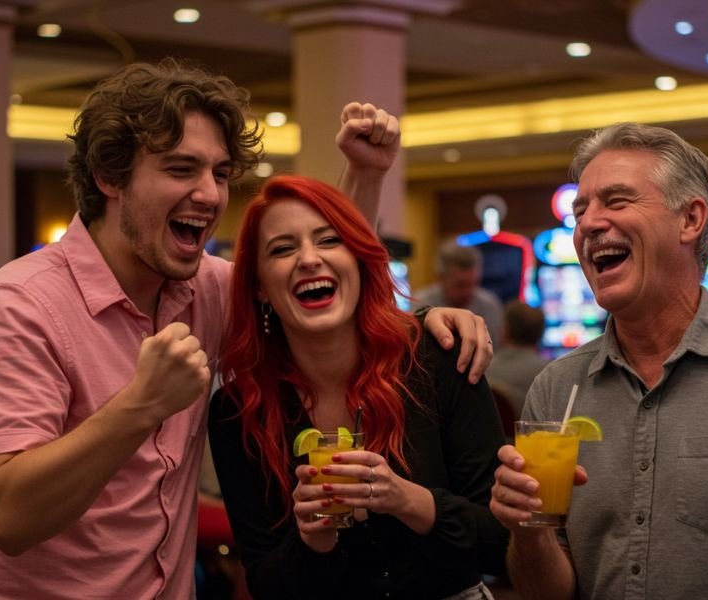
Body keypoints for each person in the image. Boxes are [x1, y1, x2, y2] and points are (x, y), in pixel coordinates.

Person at [0, 58, 492, 599]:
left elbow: (311, 274)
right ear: (109, 176)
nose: (209, 194)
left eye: (221, 173)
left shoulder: (205, 286)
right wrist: (141, 406)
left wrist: (422, 321)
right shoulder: (19, 308)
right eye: (181, 169)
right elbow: (9, 519)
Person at [208, 174, 510, 600]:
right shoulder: (237, 410)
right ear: (259, 287)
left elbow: (501, 544)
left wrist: (402, 498)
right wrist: (312, 540)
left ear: (360, 260)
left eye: (329, 240)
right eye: (282, 249)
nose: (309, 259)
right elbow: (265, 583)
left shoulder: (439, 357)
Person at [489, 122, 708, 600]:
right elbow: (546, 592)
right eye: (581, 210)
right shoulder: (558, 387)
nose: (588, 223)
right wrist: (528, 529)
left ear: (691, 220)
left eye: (616, 202)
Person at [413, 240, 504, 346]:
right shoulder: (419, 304)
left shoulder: (490, 305)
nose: (468, 291)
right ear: (440, 278)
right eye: (460, 285)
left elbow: (494, 346)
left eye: (474, 283)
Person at [486, 300, 549, 419]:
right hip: (531, 437)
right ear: (541, 333)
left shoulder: (481, 369)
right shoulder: (551, 374)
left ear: (505, 331)